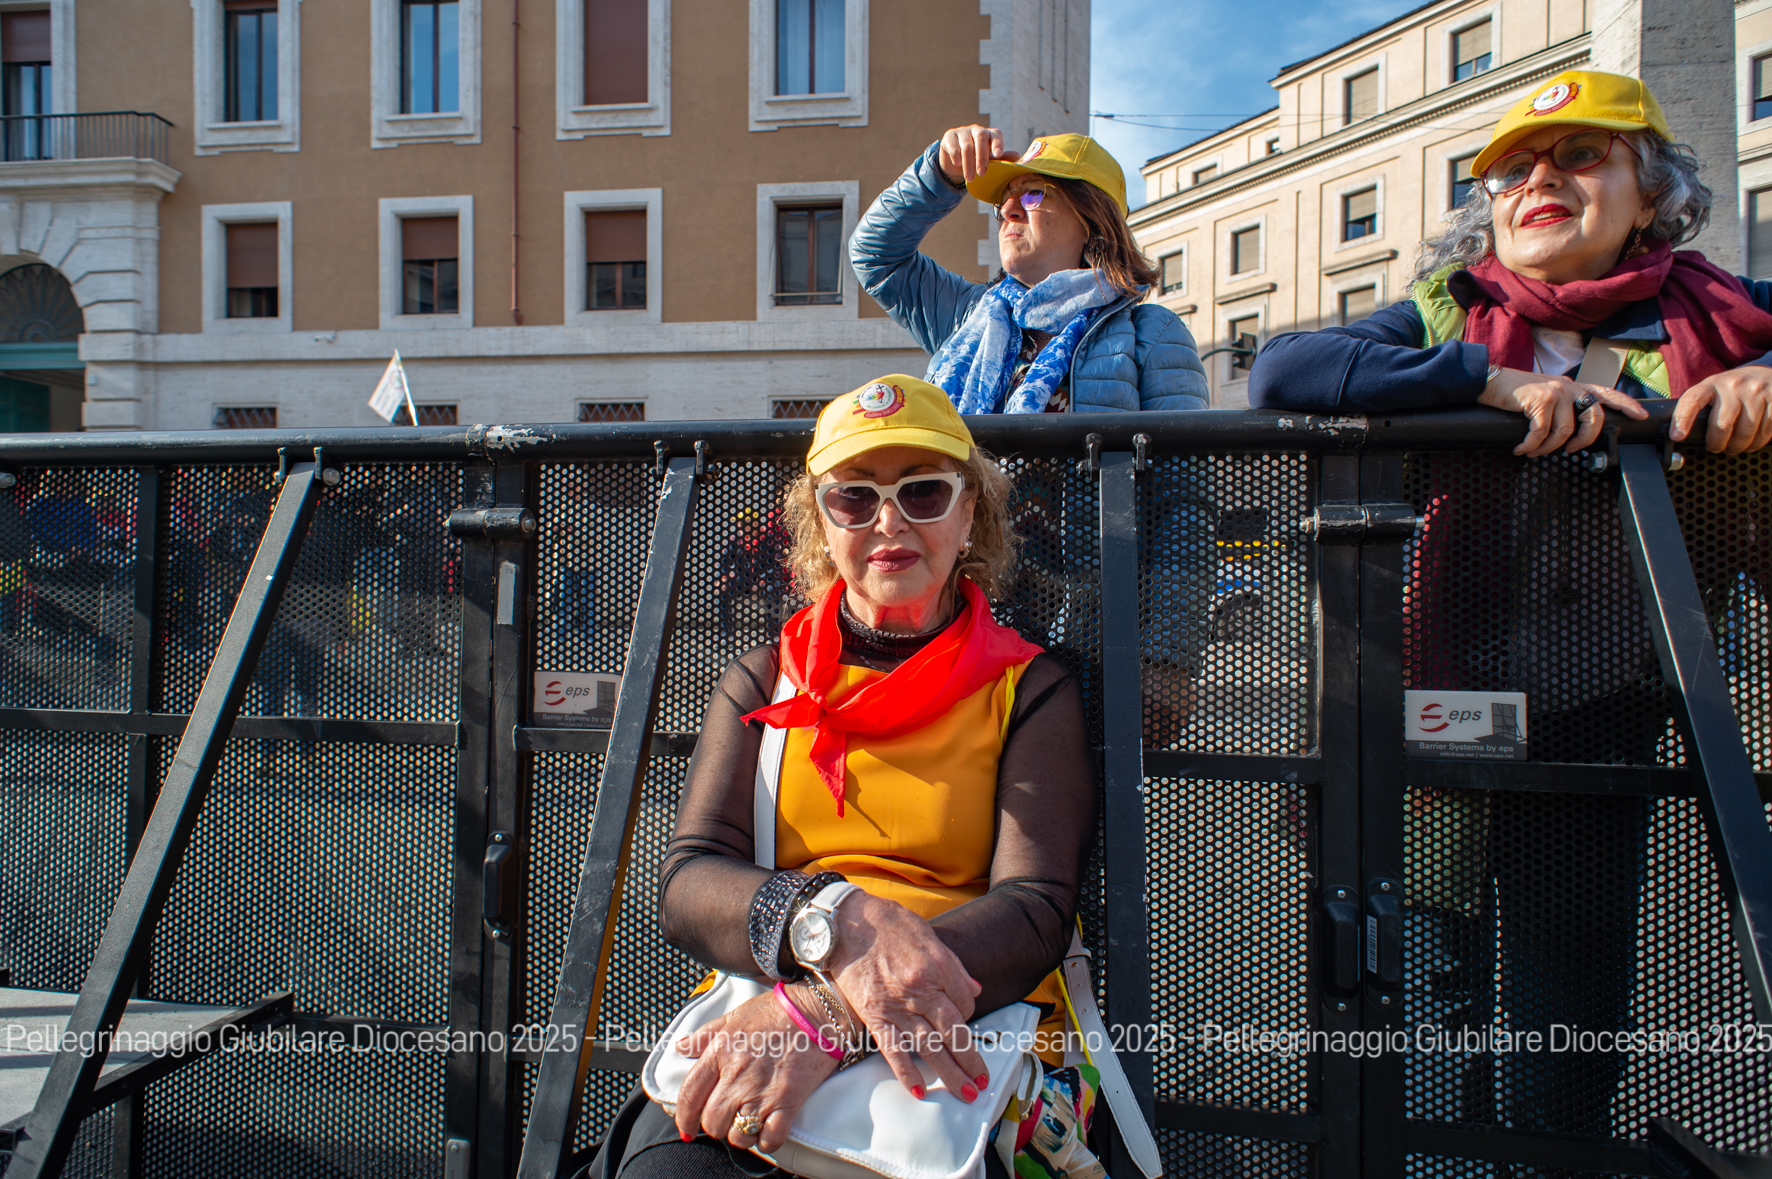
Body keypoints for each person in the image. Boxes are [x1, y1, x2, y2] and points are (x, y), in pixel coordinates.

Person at [1249, 70, 1772, 1139]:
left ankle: (1541, 1155)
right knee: (1418, 974)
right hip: (1435, 697)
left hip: (1603, 706)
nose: (1540, 181)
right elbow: (1285, 368)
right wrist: (1479, 383)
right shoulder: (1447, 314)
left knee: (1564, 994)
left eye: (1580, 156)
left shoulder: (1726, 313)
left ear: (1652, 192)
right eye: (1512, 171)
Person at [581, 376, 1096, 1178]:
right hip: (775, 998)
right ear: (823, 525)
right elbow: (687, 881)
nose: (889, 521)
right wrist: (835, 920)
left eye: (923, 492)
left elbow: (1034, 910)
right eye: (854, 498)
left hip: (966, 1016)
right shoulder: (761, 680)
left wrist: (831, 1007)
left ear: (970, 514)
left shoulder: (1030, 688)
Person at [852, 127, 1207, 414]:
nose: (1009, 210)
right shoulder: (967, 314)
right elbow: (874, 255)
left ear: (1091, 218)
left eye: (1033, 194)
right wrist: (940, 173)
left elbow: (1180, 474)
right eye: (1004, 199)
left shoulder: (1151, 333)